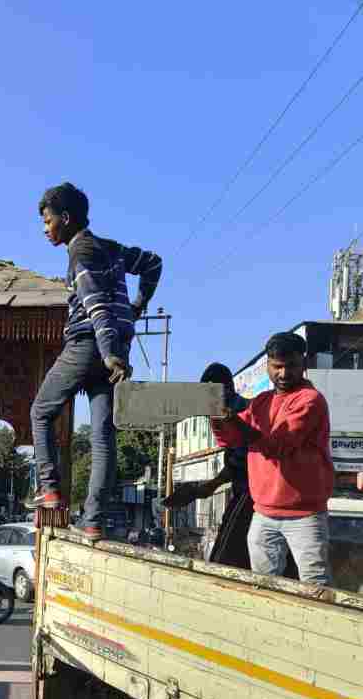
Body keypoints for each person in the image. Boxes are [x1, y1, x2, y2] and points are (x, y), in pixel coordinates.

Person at [29, 182, 162, 541]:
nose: (45, 229)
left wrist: (108, 353)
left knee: (40, 411)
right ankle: (93, 520)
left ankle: (51, 490)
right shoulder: (110, 247)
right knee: (103, 437)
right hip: (115, 344)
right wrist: (137, 305)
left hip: (89, 345)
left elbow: (96, 306)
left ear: (66, 218)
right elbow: (153, 263)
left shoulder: (81, 252)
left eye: (47, 221)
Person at [210, 332, 333, 585]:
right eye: (277, 366)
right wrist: (216, 416)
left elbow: (278, 446)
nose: (284, 373)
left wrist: (234, 421)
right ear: (268, 365)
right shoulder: (260, 403)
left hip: (305, 515)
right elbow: (230, 439)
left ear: (304, 364)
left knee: (315, 585)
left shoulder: (311, 401)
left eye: (291, 366)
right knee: (264, 585)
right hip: (264, 513)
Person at [164, 363, 252, 568]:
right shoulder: (226, 412)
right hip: (248, 490)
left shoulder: (239, 413)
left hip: (251, 493)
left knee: (221, 562)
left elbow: (243, 463)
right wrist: (206, 488)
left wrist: (209, 486)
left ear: (225, 391)